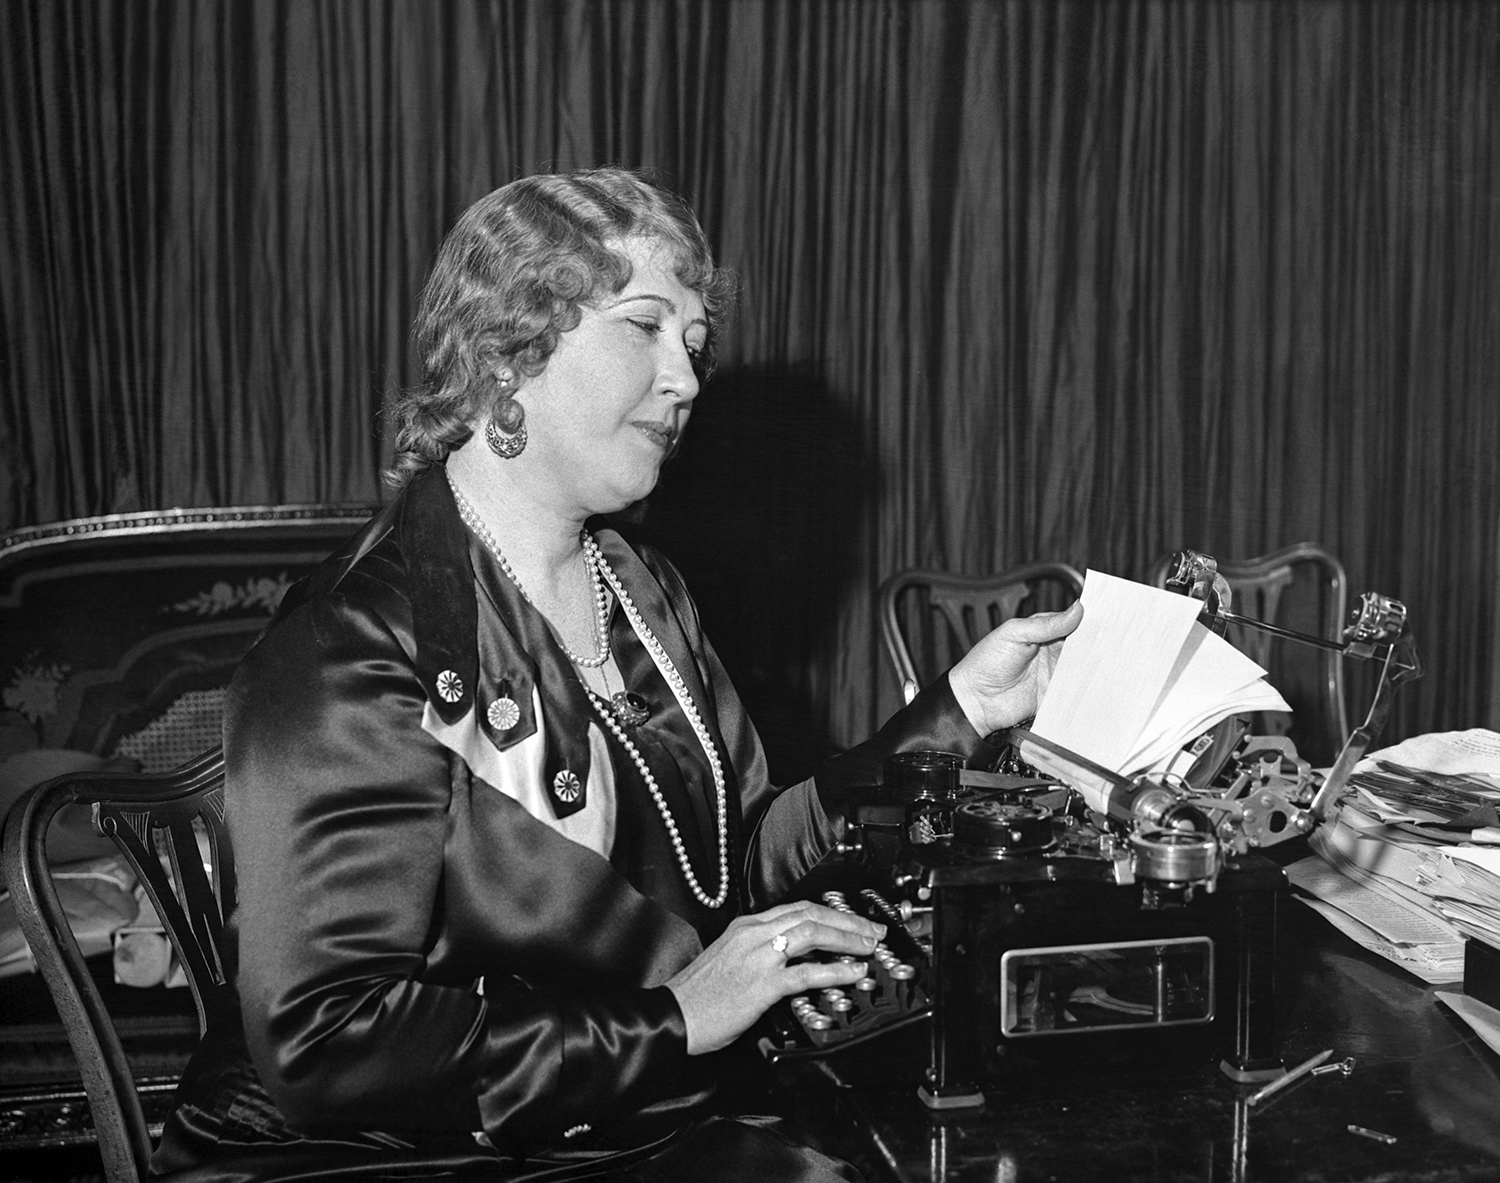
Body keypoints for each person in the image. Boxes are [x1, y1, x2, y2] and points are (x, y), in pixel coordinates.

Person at [151, 167, 1082, 1181]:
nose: (686, 380)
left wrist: (959, 716)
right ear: (512, 349)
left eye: (693, 344)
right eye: (644, 327)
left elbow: (746, 861)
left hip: (618, 1117)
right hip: (378, 1156)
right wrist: (677, 1018)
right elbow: (326, 1045)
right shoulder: (357, 639)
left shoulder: (643, 587)